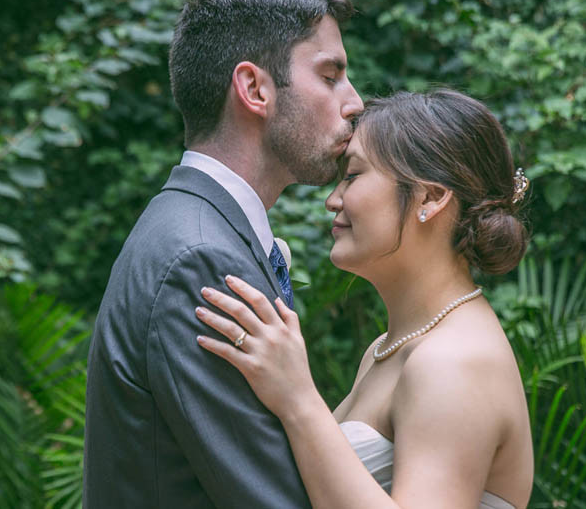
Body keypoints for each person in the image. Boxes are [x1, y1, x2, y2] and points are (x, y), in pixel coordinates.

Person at [83, 0, 364, 508]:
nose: (354, 103)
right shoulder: (201, 260)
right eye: (331, 76)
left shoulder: (192, 227)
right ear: (255, 89)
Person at [194, 89, 534, 509]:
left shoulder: (454, 362)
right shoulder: (388, 349)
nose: (332, 199)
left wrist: (298, 399)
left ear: (429, 198)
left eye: (353, 176)